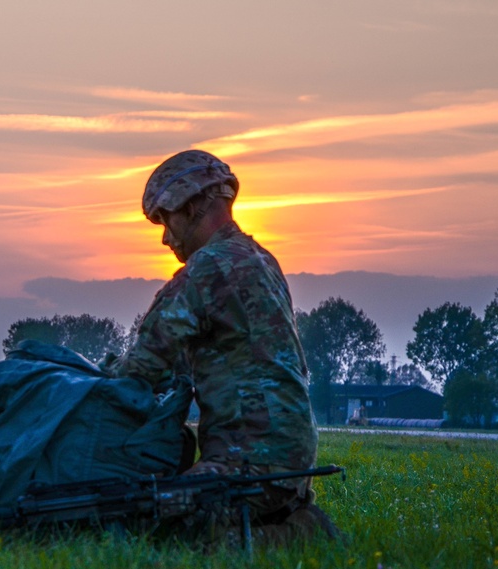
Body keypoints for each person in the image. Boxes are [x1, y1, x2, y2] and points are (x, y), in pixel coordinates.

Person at [106, 149, 339, 543]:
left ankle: (298, 537)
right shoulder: (261, 260)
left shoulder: (208, 268)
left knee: (152, 525)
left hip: (246, 460)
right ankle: (287, 520)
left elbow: (140, 370)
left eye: (167, 219)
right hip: (288, 459)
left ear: (194, 206)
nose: (165, 237)